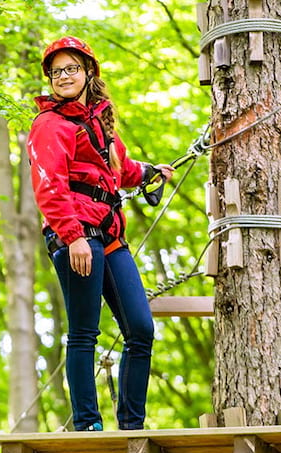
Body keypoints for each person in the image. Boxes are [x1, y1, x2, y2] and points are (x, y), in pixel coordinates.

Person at [27, 36, 174, 431]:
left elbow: (121, 169)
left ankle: (132, 425)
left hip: (108, 236)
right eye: (56, 72)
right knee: (84, 332)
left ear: (89, 72)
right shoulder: (50, 125)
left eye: (71, 68)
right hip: (76, 235)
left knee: (140, 329)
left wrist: (150, 172)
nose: (63, 77)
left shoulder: (98, 122)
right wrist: (73, 236)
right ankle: (88, 424)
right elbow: (48, 185)